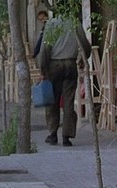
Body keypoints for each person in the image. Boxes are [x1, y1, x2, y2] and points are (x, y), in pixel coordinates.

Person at [38, 12, 91, 147]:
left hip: (54, 65)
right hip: (70, 65)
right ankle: (66, 136)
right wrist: (83, 58)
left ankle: (53, 134)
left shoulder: (51, 24)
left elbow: (45, 48)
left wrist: (43, 69)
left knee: (52, 101)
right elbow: (85, 44)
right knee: (68, 101)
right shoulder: (75, 23)